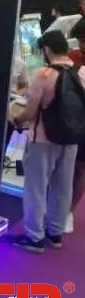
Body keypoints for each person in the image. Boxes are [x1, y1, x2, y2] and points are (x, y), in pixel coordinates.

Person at [12, 30, 85, 252]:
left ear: (46, 50)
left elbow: (31, 112)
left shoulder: (43, 75)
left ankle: (34, 236)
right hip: (71, 139)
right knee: (63, 187)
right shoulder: (80, 72)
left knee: (36, 187)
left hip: (43, 139)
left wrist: (16, 118)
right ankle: (55, 234)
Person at [66, 19, 85, 233]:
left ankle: (69, 211)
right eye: (79, 39)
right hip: (70, 122)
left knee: (80, 171)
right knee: (63, 168)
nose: (81, 45)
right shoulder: (72, 56)